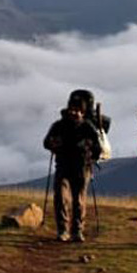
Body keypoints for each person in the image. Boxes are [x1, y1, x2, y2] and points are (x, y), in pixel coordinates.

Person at [43, 95, 102, 242]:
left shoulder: (85, 127)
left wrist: (90, 154)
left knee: (78, 200)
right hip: (66, 165)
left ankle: (75, 231)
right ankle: (65, 230)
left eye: (77, 110)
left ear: (83, 112)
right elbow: (46, 142)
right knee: (62, 198)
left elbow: (98, 148)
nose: (74, 112)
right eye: (72, 109)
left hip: (80, 167)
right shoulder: (63, 126)